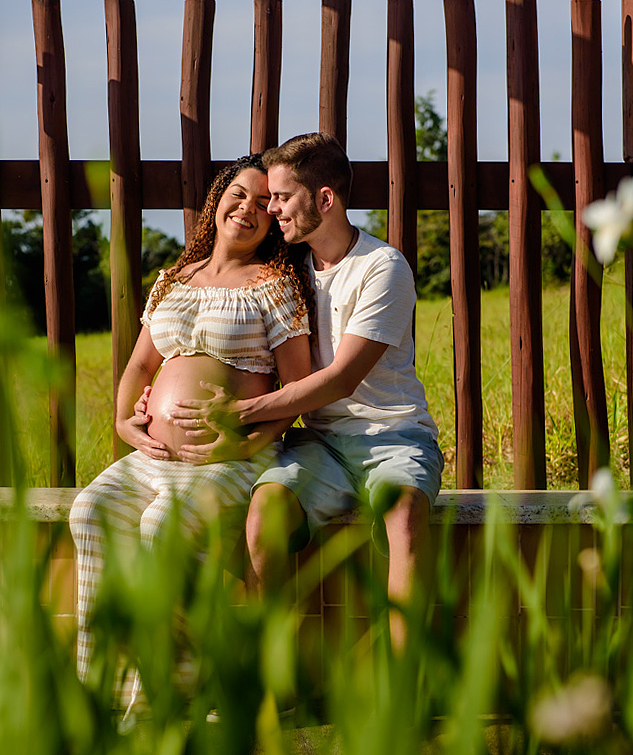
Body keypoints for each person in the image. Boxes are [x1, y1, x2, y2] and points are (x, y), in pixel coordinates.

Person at [170, 132, 443, 651]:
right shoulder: (288, 267)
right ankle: (276, 680)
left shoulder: (382, 268)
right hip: (319, 443)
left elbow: (342, 378)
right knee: (265, 512)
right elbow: (234, 337)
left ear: (325, 199)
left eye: (281, 197)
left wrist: (244, 410)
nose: (270, 210)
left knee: (404, 517)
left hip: (395, 435)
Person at [68, 154, 314, 687]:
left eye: (264, 204)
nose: (249, 209)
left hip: (229, 458)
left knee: (163, 527)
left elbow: (298, 393)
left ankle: (181, 684)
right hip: (153, 457)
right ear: (218, 198)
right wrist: (124, 422)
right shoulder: (174, 279)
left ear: (274, 221)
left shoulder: (275, 284)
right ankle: (103, 683)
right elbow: (139, 366)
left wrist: (249, 447)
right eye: (239, 194)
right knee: (89, 512)